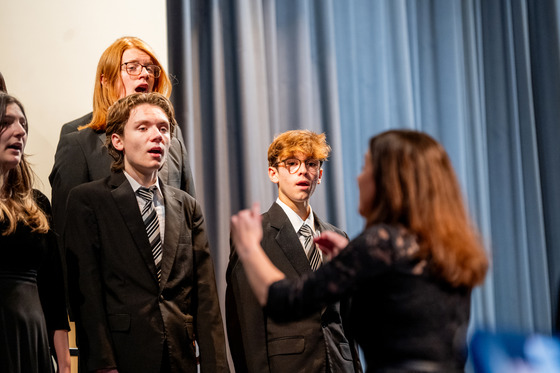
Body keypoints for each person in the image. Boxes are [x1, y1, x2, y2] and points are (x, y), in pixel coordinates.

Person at [231, 129, 489, 373]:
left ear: (389, 181)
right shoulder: (445, 247)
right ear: (273, 172)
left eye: (367, 167)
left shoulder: (379, 243)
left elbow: (291, 300)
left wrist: (249, 247)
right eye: (292, 163)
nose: (358, 176)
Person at [64, 92, 228, 373]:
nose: (157, 136)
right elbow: (87, 293)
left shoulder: (187, 206)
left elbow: (206, 296)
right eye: (143, 128)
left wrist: (216, 366)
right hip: (122, 356)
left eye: (163, 128)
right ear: (118, 141)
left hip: (180, 357)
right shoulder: (89, 200)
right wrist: (102, 363)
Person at [226, 130, 362, 373]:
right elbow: (247, 324)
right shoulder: (256, 233)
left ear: (319, 175)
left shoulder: (337, 237)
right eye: (292, 163)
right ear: (273, 173)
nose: (303, 171)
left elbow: (348, 321)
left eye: (311, 163)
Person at [49, 36, 195, 244]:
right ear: (106, 80)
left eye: (150, 68)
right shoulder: (77, 138)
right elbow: (67, 230)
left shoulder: (172, 135)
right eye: (132, 67)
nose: (145, 74)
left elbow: (188, 213)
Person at [0, 93, 71, 372]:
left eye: (23, 123)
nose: (20, 131)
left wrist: (64, 365)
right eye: (6, 122)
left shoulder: (37, 205)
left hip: (32, 340)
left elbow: (54, 294)